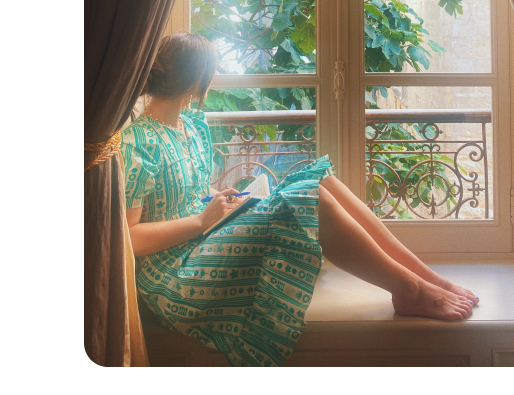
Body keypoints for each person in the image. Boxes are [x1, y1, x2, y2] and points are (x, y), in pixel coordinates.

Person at [121, 33, 478, 367]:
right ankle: (410, 290)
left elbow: (191, 192)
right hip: (172, 272)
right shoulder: (136, 142)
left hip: (205, 236)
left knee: (323, 180)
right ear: (198, 82)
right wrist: (202, 221)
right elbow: (131, 237)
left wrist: (223, 199)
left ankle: (426, 277)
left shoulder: (192, 125)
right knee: (311, 200)